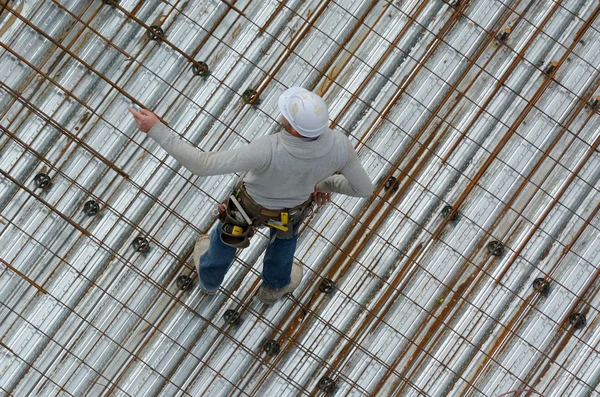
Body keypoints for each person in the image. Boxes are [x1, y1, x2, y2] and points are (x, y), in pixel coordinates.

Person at [129, 87, 373, 304]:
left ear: (296, 130)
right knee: (284, 243)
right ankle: (274, 287)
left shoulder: (268, 148)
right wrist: (324, 184)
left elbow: (201, 165)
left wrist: (156, 130)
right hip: (291, 211)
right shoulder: (340, 145)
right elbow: (364, 189)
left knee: (227, 236)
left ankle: (209, 281)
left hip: (248, 207)